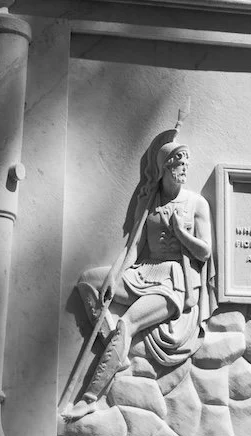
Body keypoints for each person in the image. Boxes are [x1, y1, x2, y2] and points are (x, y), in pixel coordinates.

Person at [66, 131, 214, 417]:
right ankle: (114, 350)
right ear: (164, 168)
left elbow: (205, 252)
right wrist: (114, 275)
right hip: (143, 271)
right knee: (89, 281)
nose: (184, 168)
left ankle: (89, 398)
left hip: (174, 280)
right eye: (178, 163)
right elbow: (134, 245)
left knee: (128, 324)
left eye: (186, 163)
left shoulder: (196, 204)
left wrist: (182, 234)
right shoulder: (149, 202)